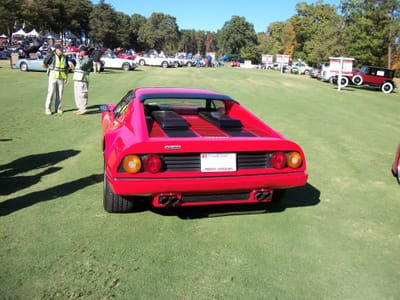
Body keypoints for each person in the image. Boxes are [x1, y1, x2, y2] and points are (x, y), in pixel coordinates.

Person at [42, 44, 68, 115]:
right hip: (52, 77)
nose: (61, 51)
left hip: (61, 77)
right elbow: (44, 64)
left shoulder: (64, 57)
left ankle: (58, 108)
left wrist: (66, 77)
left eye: (62, 50)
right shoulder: (51, 56)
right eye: (60, 50)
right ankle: (48, 109)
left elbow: (66, 68)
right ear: (56, 50)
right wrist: (48, 69)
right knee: (51, 93)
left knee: (60, 94)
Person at [72, 45, 92, 115]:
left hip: (83, 79)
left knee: (82, 94)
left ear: (84, 52)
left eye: (80, 51)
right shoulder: (81, 58)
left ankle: (83, 109)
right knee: (77, 94)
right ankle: (79, 108)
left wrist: (77, 57)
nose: (79, 52)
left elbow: (82, 66)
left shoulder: (88, 59)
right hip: (77, 78)